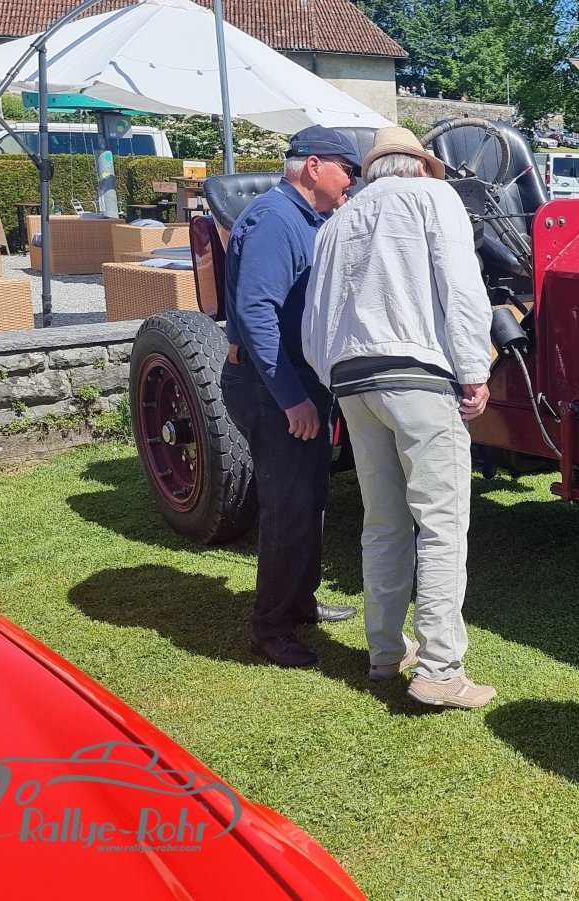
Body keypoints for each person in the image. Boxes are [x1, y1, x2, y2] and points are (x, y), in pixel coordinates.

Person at [301, 127, 497, 708]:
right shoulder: (434, 198)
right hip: (418, 376)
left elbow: (316, 316)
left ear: (372, 171)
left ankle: (386, 652)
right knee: (441, 525)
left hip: (352, 380)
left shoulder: (337, 222)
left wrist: (331, 377)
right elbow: (462, 288)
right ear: (419, 166)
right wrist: (474, 370)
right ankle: (440, 668)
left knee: (383, 522)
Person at [222, 126, 360, 668]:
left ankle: (299, 600)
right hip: (273, 385)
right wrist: (291, 398)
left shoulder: (306, 218)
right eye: (347, 169)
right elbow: (257, 312)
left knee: (311, 497)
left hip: (297, 381)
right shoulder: (277, 220)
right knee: (287, 506)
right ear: (314, 166)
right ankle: (272, 626)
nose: (352, 181)